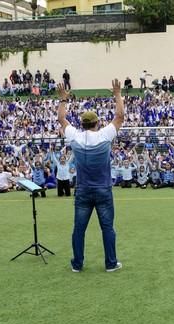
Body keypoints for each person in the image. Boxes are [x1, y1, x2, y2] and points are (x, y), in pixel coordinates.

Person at [57, 80, 124, 273]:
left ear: (82, 124)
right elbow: (120, 116)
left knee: (79, 229)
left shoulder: (75, 137)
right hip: (103, 190)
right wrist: (117, 94)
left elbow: (62, 120)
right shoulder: (104, 136)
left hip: (83, 190)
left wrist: (63, 99)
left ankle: (77, 264)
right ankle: (111, 263)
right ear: (97, 123)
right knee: (107, 228)